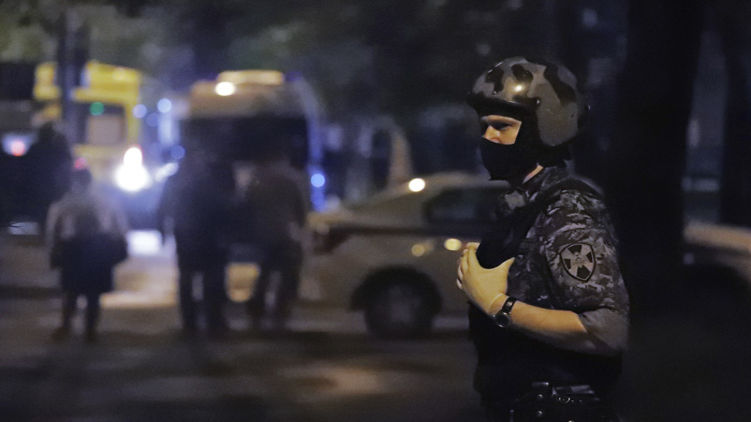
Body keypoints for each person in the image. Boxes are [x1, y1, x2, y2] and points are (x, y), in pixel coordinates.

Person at [456, 57, 630, 421]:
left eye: (502, 126)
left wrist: (498, 305)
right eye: (485, 127)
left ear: (545, 128)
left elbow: (606, 331)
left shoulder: (567, 210)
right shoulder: (523, 206)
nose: (489, 138)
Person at [158, 149, 235, 338]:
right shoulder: (210, 180)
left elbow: (163, 207)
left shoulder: (176, 180)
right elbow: (224, 207)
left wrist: (163, 232)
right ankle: (211, 322)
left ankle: (192, 323)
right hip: (206, 238)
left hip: (189, 237)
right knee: (210, 281)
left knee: (190, 281)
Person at [47, 168, 128, 343]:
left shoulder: (67, 201)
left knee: (72, 291)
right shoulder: (105, 199)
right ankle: (89, 331)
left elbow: (55, 227)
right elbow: (118, 226)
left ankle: (67, 326)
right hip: (97, 247)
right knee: (93, 294)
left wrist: (54, 250)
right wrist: (120, 246)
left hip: (74, 248)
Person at [244, 148, 308, 333]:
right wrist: (300, 225)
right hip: (285, 233)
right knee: (288, 274)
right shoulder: (292, 177)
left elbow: (248, 203)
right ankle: (280, 311)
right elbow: (300, 207)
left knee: (264, 273)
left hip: (263, 233)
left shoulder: (258, 177)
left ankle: (257, 310)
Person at [25, 122, 72, 232]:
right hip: (53, 189)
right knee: (51, 216)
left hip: (40, 189)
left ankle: (45, 232)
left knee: (44, 216)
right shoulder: (58, 149)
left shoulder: (35, 149)